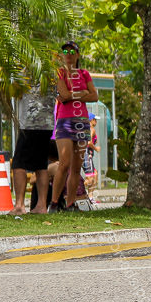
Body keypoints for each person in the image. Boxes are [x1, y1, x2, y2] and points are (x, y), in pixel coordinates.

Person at [50, 41, 98, 212]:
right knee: (64, 163)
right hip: (64, 122)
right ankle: (54, 203)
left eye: (72, 51)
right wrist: (82, 93)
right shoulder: (60, 73)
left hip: (82, 123)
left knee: (77, 167)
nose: (68, 53)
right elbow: (63, 94)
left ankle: (71, 204)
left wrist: (73, 96)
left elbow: (95, 96)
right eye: (65, 51)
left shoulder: (84, 74)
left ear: (77, 54)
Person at [10, 82, 58, 214]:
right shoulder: (52, 69)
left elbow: (15, 91)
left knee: (18, 163)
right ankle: (41, 205)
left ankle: (19, 205)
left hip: (30, 121)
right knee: (41, 164)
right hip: (47, 122)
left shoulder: (25, 68)